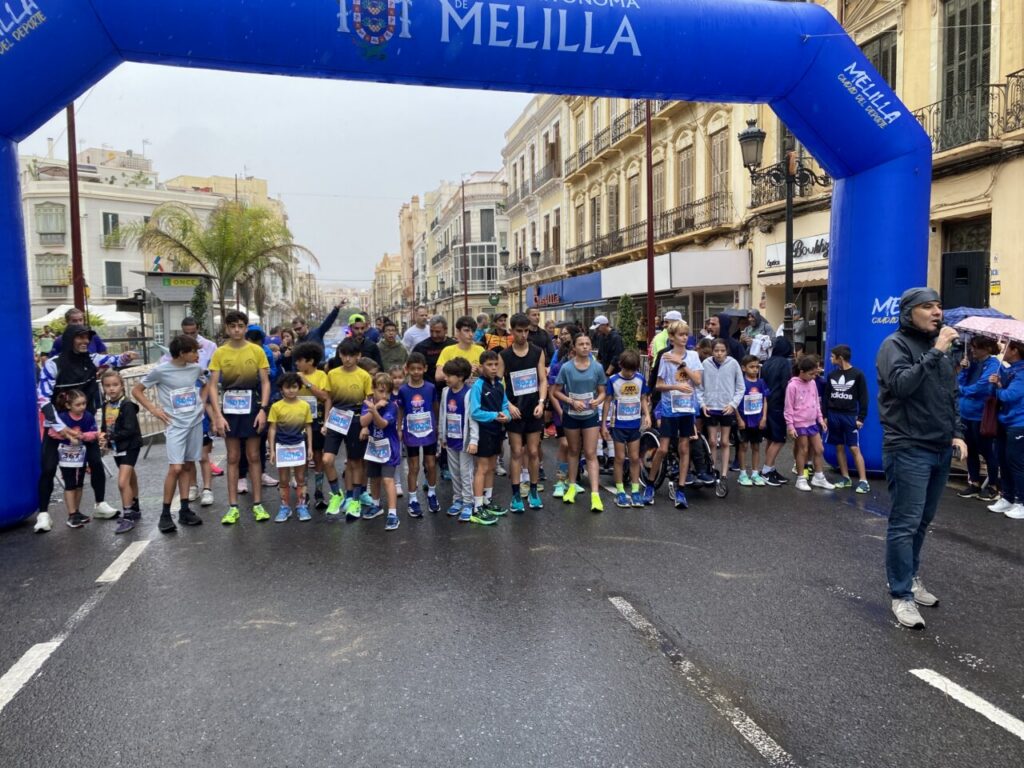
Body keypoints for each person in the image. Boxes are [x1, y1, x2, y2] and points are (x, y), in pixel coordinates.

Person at [876, 287, 966, 630]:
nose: (936, 312)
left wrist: (957, 432)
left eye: (939, 306)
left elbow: (949, 394)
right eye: (927, 307)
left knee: (923, 522)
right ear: (909, 311)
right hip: (908, 447)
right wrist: (937, 351)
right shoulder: (893, 346)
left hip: (940, 447)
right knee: (904, 523)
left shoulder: (939, 349)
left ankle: (911, 577)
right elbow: (901, 386)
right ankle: (901, 595)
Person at [34, 325, 136, 533]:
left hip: (85, 425)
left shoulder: (91, 358)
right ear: (70, 339)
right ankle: (43, 514)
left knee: (96, 463)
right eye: (80, 337)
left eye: (87, 338)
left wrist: (126, 357)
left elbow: (113, 361)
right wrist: (62, 428)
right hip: (58, 426)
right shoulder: (53, 365)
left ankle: (100, 504)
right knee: (48, 468)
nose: (85, 341)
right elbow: (43, 398)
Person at [134, 334, 211, 533]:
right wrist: (154, 409)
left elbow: (207, 383)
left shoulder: (196, 369)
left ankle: (185, 510)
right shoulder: (161, 371)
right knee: (175, 468)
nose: (197, 354)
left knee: (187, 465)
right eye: (193, 351)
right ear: (181, 353)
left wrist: (201, 402)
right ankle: (165, 514)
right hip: (175, 424)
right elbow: (137, 390)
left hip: (194, 422)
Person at [208, 310, 272, 526]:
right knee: (233, 457)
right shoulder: (219, 353)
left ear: (246, 328)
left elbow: (265, 382)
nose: (236, 330)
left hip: (252, 406)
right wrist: (217, 415)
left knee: (254, 455)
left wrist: (263, 409)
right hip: (229, 408)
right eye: (232, 326)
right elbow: (213, 386)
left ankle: (257, 504)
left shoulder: (257, 351)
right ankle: (233, 506)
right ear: (227, 328)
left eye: (240, 326)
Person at [553, 332, 607, 512]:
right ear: (574, 347)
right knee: (574, 450)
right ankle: (571, 486)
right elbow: (556, 391)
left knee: (590, 453)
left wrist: (598, 401)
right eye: (581, 344)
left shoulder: (597, 367)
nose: (585, 347)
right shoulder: (567, 368)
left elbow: (602, 391)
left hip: (590, 416)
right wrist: (571, 401)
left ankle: (595, 495)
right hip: (571, 415)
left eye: (587, 344)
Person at [322, 338, 374, 519]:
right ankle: (337, 494)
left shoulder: (364, 376)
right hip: (336, 418)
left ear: (358, 356)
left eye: (352, 355)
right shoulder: (333, 374)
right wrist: (326, 421)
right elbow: (328, 398)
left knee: (355, 462)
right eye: (344, 355)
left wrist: (365, 426)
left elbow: (369, 402)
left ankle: (355, 500)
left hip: (356, 420)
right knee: (327, 460)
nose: (348, 359)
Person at [501, 313, 547, 512]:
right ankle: (516, 495)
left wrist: (542, 402)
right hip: (515, 410)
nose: (522, 335)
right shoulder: (504, 355)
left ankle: (534, 491)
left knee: (534, 451)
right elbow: (498, 384)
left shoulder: (537, 351)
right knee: (517, 452)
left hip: (533, 408)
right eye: (518, 331)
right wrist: (507, 405)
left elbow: (543, 380)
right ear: (511, 331)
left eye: (526, 331)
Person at [651, 329, 701, 509]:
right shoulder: (665, 357)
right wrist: (676, 387)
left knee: (684, 447)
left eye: (686, 334)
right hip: (669, 408)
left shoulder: (694, 355)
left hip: (687, 408)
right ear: (672, 338)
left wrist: (682, 363)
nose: (684, 337)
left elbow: (697, 380)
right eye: (680, 335)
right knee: (663, 449)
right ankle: (650, 485)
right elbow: (658, 385)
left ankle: (681, 490)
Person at [602, 349, 651, 508]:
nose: (630, 373)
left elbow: (643, 398)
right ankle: (621, 491)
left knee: (635, 458)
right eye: (627, 369)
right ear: (620, 365)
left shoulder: (640, 379)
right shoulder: (613, 380)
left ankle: (635, 491)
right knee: (619, 458)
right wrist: (604, 424)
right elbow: (608, 401)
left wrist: (647, 415)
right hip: (618, 425)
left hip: (634, 423)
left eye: (633, 370)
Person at [957, 336, 1002, 501]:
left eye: (976, 347)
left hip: (980, 415)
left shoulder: (994, 366)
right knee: (971, 450)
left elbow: (980, 388)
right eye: (972, 347)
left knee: (987, 450)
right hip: (966, 413)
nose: (972, 350)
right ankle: (974, 483)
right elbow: (960, 381)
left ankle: (993, 486)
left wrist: (960, 389)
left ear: (987, 349)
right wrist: (965, 370)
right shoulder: (972, 363)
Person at [46, 389, 99, 529]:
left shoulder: (87, 416)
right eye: (78, 405)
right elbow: (52, 432)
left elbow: (94, 433)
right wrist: (67, 435)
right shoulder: (62, 417)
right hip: (66, 457)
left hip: (81, 456)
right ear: (69, 405)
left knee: (79, 484)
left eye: (84, 403)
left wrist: (82, 436)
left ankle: (77, 511)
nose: (82, 407)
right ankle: (71, 515)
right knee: (70, 484)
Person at [439, 357, 484, 523]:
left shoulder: (470, 393)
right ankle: (457, 499)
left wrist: (474, 440)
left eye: (449, 375)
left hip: (464, 442)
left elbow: (473, 419)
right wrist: (442, 436)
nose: (446, 378)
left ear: (460, 376)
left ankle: (468, 502)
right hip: (450, 440)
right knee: (454, 472)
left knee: (466, 473)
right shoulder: (445, 392)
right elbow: (443, 414)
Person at [99, 370, 143, 534]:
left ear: (122, 385)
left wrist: (110, 437)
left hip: (130, 445)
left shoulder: (127, 405)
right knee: (130, 476)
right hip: (117, 447)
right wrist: (103, 436)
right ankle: (135, 507)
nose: (111, 389)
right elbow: (105, 425)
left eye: (115, 385)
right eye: (107, 385)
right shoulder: (106, 405)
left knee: (122, 482)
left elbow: (130, 429)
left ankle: (128, 516)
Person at [469, 350, 511, 522]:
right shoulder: (478, 386)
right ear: (481, 367)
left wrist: (506, 415)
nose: (494, 368)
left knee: (492, 467)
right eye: (489, 365)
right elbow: (475, 412)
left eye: (496, 364)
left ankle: (487, 501)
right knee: (482, 468)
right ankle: (477, 507)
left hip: (497, 432)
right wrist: (495, 415)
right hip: (484, 432)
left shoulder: (500, 385)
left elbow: (505, 405)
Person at [357, 372, 402, 530]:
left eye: (387, 392)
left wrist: (374, 411)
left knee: (387, 479)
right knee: (374, 478)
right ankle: (376, 505)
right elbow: (363, 421)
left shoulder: (392, 406)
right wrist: (375, 407)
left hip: (389, 447)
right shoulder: (369, 403)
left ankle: (392, 514)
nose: (384, 395)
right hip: (374, 446)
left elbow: (383, 424)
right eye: (380, 391)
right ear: (373, 390)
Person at [268, 372, 314, 523]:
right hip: (281, 446)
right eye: (287, 387)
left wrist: (310, 448)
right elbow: (272, 429)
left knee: (300, 477)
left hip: (299, 445)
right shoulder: (276, 407)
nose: (291, 390)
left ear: (299, 387)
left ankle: (301, 506)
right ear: (281, 389)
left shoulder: (305, 406)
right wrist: (272, 450)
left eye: (294, 387)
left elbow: (308, 428)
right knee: (283, 478)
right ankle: (284, 507)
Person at [398, 352, 440, 517]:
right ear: (407, 369)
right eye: (412, 369)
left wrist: (437, 425)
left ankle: (432, 494)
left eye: (419, 369)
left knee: (430, 464)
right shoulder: (403, 389)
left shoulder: (430, 388)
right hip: (411, 432)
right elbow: (400, 408)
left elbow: (435, 405)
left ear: (425, 369)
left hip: (429, 430)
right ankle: (413, 499)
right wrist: (399, 427)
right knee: (413, 466)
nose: (416, 372)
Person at [701, 338, 745, 493]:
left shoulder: (733, 364)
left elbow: (741, 387)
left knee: (725, 442)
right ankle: (713, 470)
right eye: (716, 350)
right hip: (710, 407)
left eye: (722, 351)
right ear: (712, 351)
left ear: (727, 351)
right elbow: (699, 386)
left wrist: (733, 405)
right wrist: (702, 403)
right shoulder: (705, 364)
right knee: (712, 441)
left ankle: (724, 474)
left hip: (726, 408)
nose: (719, 354)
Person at [784, 355, 834, 493]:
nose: (814, 377)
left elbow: (816, 403)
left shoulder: (812, 383)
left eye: (815, 374)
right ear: (802, 372)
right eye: (811, 374)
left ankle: (818, 476)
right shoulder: (792, 385)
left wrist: (820, 419)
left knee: (819, 449)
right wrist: (790, 426)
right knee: (803, 450)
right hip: (799, 423)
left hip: (812, 422)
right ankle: (801, 478)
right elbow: (788, 408)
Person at [987, 340, 1024, 519]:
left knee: (1017, 464)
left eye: (1007, 347)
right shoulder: (1011, 369)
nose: (1003, 350)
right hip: (1004, 422)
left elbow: (1010, 396)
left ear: (1015, 350)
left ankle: (1022, 502)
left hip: (1018, 423)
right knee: (1003, 460)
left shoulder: (1022, 372)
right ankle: (1007, 497)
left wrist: (999, 389)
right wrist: (998, 383)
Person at [826, 344, 870, 493]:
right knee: (838, 446)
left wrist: (861, 418)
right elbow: (826, 397)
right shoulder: (832, 375)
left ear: (841, 358)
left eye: (833, 356)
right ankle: (845, 478)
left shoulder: (858, 375)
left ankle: (864, 481)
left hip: (850, 416)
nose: (830, 359)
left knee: (854, 448)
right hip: (834, 415)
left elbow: (864, 398)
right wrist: (825, 416)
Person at [293, 342, 330, 509]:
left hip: (317, 419)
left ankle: (319, 492)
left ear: (311, 361)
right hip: (299, 421)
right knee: (302, 456)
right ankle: (304, 493)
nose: (297, 364)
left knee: (317, 454)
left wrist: (306, 382)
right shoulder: (295, 375)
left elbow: (324, 396)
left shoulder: (321, 375)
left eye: (300, 360)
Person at [736, 355, 768, 487]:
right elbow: (735, 402)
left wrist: (764, 417)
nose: (755, 369)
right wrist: (738, 419)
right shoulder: (741, 384)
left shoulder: (761, 382)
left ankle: (755, 473)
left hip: (758, 420)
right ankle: (742, 473)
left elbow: (765, 400)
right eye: (751, 367)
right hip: (744, 420)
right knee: (743, 446)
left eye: (757, 367)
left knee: (756, 447)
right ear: (743, 368)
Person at [436, 315, 485, 383]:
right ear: (458, 331)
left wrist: (480, 371)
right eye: (466, 330)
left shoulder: (480, 350)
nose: (471, 334)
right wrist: (464, 370)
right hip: (455, 391)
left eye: (473, 331)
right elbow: (438, 376)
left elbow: (490, 373)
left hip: (476, 391)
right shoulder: (448, 350)